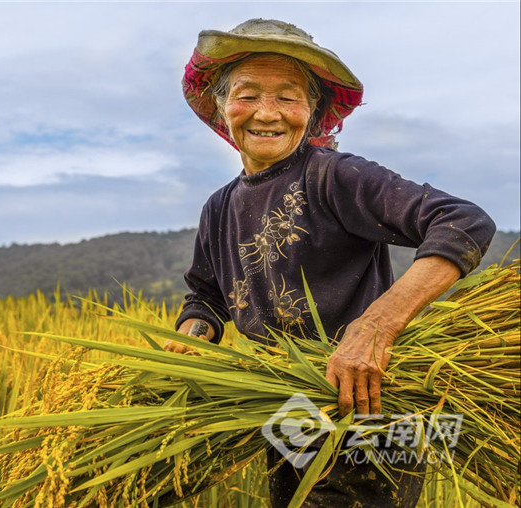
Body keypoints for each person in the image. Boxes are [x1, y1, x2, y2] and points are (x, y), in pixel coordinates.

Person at [163, 18, 496, 507]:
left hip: (368, 409)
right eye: (248, 94)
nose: (267, 113)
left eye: (288, 97)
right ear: (221, 106)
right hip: (286, 408)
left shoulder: (333, 177)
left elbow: (463, 222)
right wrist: (193, 338)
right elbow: (206, 296)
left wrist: (376, 327)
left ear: (313, 112)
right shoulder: (219, 206)